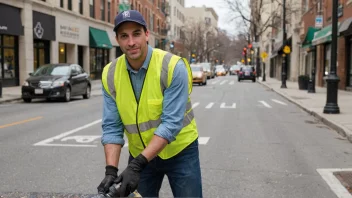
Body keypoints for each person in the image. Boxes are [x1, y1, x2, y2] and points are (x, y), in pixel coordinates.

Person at [97, 10, 203, 197]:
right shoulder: (110, 74)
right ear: (117, 40)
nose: (131, 42)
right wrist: (110, 171)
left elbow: (171, 124)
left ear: (147, 34)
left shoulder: (172, 66)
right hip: (141, 154)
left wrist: (136, 165)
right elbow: (112, 126)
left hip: (180, 151)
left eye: (136, 34)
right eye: (124, 36)